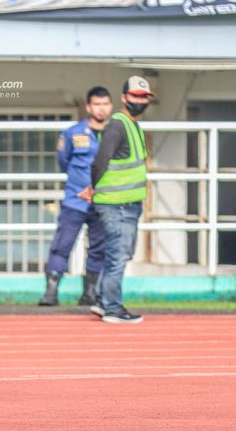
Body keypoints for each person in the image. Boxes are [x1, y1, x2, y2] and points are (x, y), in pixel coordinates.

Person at [80, 76, 153, 324]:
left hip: (125, 203)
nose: (140, 101)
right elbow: (100, 160)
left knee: (119, 253)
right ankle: (112, 307)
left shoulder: (130, 126)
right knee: (117, 255)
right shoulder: (118, 125)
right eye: (135, 96)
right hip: (117, 204)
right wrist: (92, 187)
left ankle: (103, 301)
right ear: (124, 98)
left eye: (144, 97)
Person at [38, 87, 112, 307]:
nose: (101, 109)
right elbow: (64, 161)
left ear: (111, 106)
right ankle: (51, 291)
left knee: (99, 247)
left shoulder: (115, 134)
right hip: (75, 199)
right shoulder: (72, 133)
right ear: (89, 107)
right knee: (62, 244)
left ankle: (90, 292)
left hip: (104, 200)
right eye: (97, 104)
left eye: (105, 104)